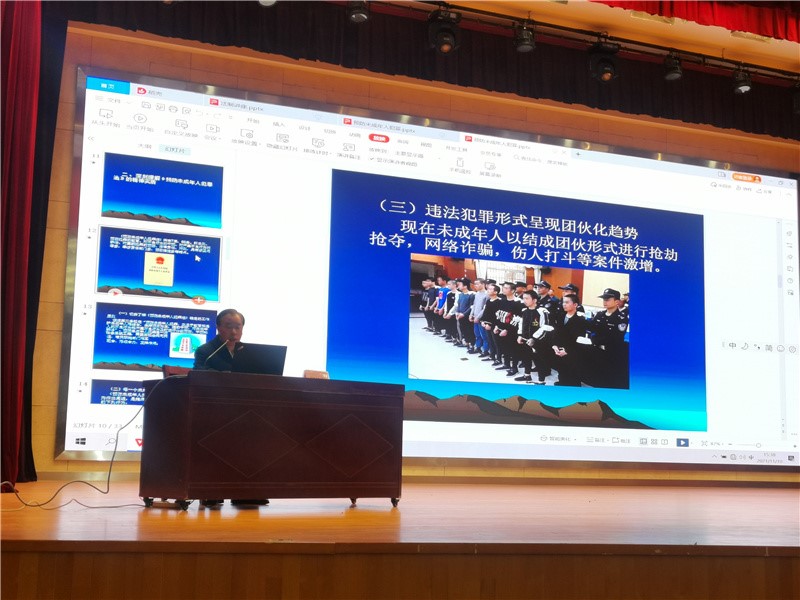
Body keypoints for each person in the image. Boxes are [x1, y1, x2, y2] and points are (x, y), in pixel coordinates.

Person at [194, 309, 269, 508]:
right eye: (229, 326)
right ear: (219, 328)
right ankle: (211, 491)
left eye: (238, 327)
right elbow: (200, 373)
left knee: (256, 436)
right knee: (217, 438)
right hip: (214, 409)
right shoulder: (206, 351)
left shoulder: (249, 352)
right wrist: (226, 376)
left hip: (245, 409)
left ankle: (245, 492)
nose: (234, 331)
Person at [586, 288, 629, 389]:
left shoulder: (621, 318)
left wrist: (596, 339)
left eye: (608, 299)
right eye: (604, 299)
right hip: (597, 351)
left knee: (608, 380)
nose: (605, 302)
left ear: (617, 302)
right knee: (597, 377)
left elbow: (615, 338)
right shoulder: (600, 314)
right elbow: (591, 328)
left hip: (611, 353)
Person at [551, 294, 588, 386]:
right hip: (560, 348)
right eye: (563, 302)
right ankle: (562, 382)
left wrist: (568, 350)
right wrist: (554, 345)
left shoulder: (580, 320)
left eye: (567, 302)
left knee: (572, 373)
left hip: (573, 351)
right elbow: (556, 332)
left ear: (575, 305)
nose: (564, 304)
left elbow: (579, 339)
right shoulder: (561, 316)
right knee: (561, 369)